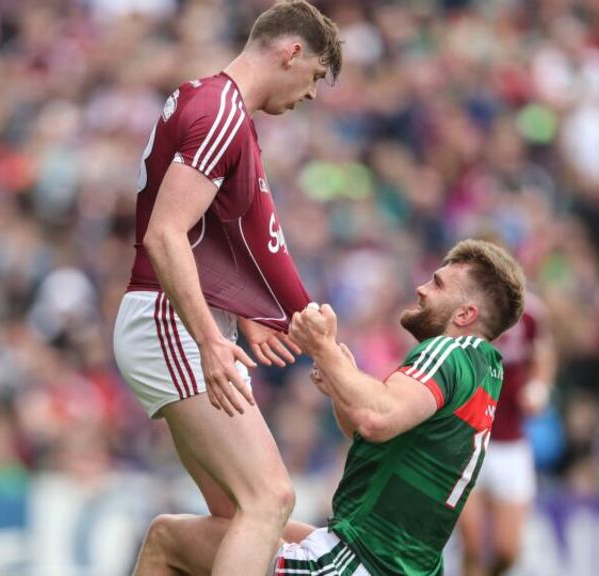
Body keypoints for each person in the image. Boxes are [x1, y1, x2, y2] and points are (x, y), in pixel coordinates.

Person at [112, 2, 343, 574]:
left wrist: (238, 314)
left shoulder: (212, 101)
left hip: (181, 319)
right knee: (271, 500)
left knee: (242, 514)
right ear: (291, 52)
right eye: (315, 75)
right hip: (172, 320)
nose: (312, 94)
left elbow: (202, 233)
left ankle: (165, 549)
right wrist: (209, 341)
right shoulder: (222, 111)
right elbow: (165, 234)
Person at [134, 239, 527, 576]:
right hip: (387, 562)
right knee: (253, 529)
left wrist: (322, 347)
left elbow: (377, 417)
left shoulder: (448, 351)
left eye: (438, 284)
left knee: (166, 536)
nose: (422, 288)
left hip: (354, 563)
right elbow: (367, 433)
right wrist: (340, 379)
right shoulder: (484, 371)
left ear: (465, 315)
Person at [457, 292, 556, 576]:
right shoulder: (462, 310)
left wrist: (539, 388)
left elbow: (544, 355)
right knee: (472, 545)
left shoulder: (531, 313)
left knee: (508, 551)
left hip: (511, 443)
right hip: (466, 441)